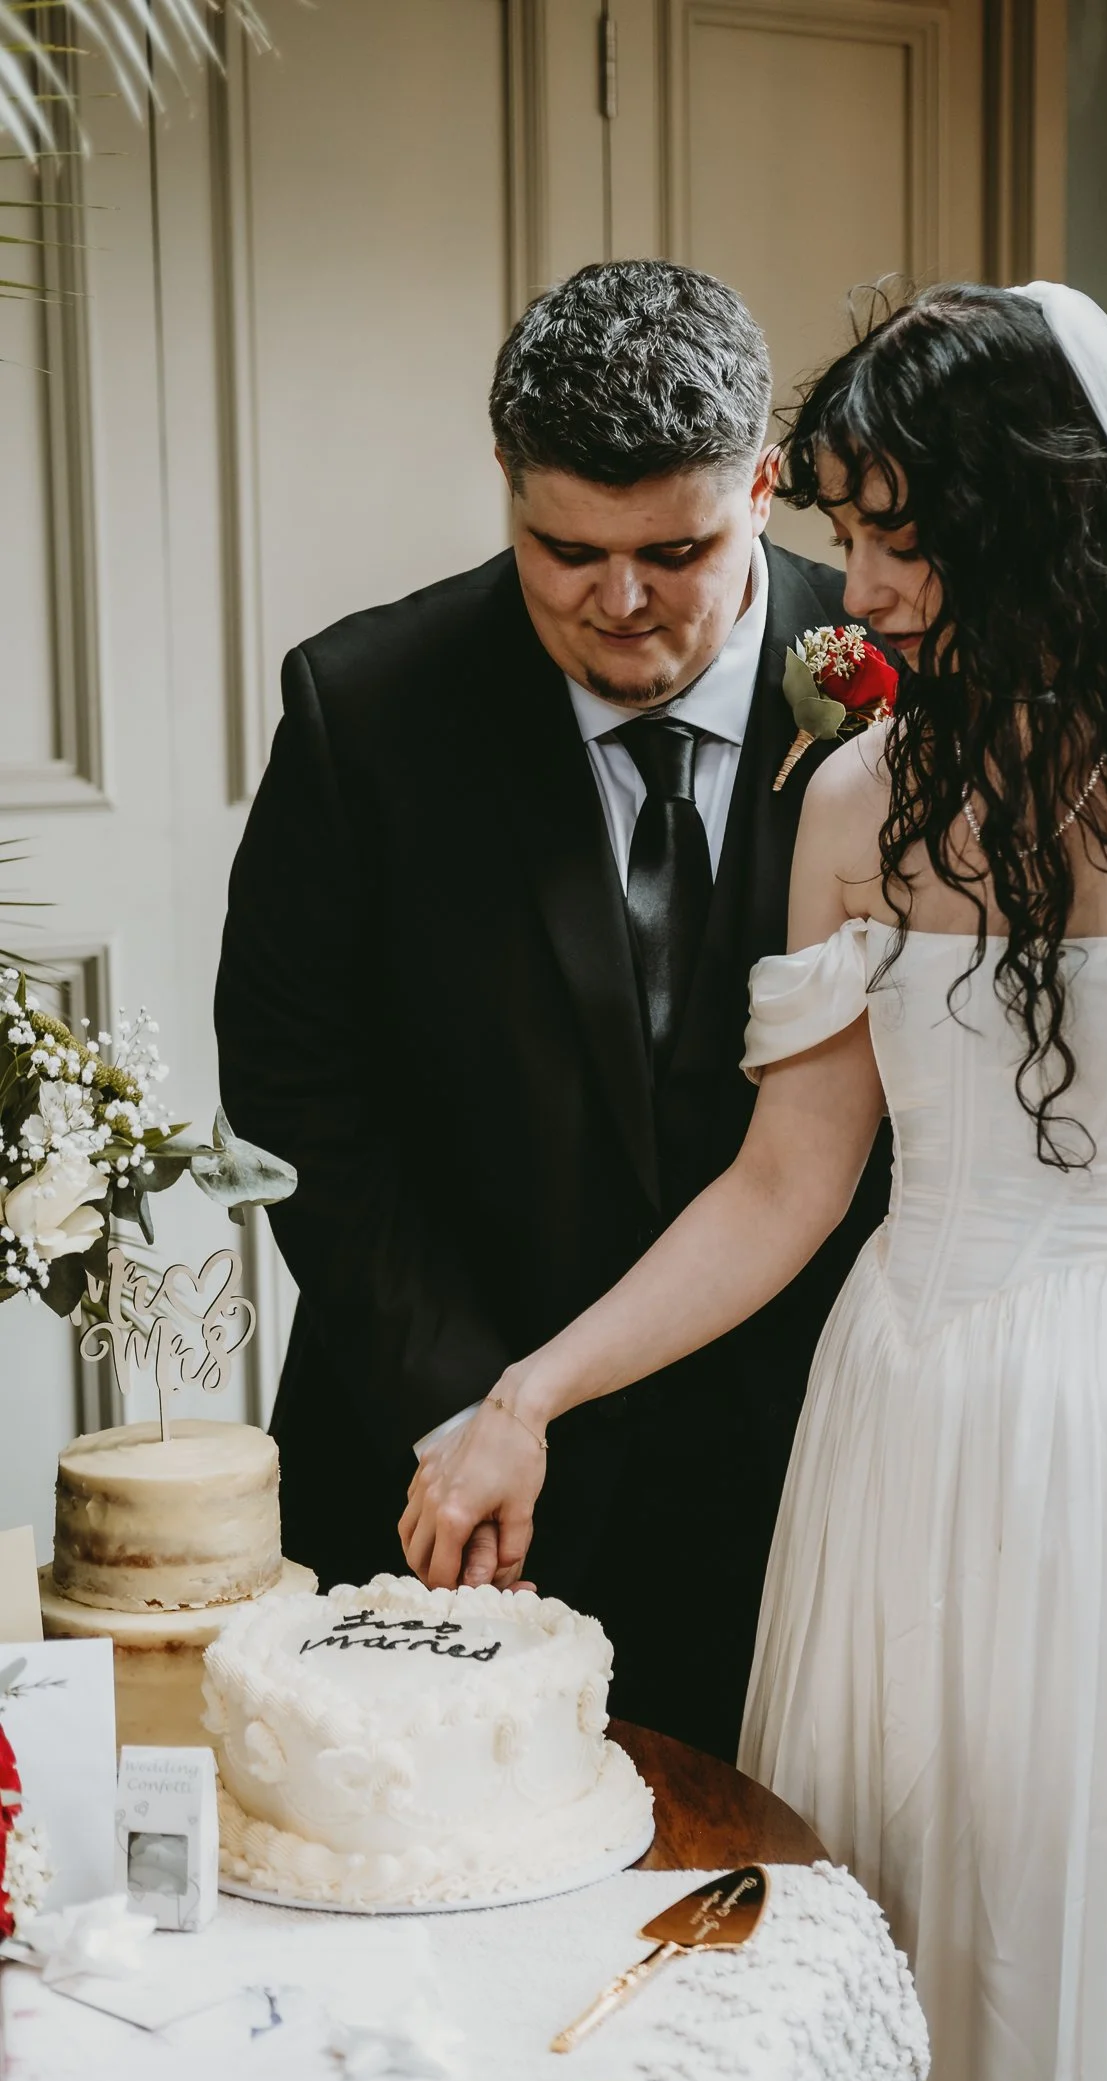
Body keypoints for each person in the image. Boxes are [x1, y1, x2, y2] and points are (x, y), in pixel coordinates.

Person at [400, 284, 1107, 2081]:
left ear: (1041, 519)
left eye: (907, 535)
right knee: (889, 1933)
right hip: (893, 1430)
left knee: (1103, 1946)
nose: (859, 583)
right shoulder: (864, 795)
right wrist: (527, 1392)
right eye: (851, 530)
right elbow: (783, 1187)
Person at [213, 260, 892, 1762]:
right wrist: (469, 1404)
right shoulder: (366, 707)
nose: (621, 601)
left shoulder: (906, 680)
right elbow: (296, 1088)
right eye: (563, 548)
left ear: (764, 486)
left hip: (810, 1456)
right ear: (508, 489)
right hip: (439, 1451)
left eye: (676, 547)